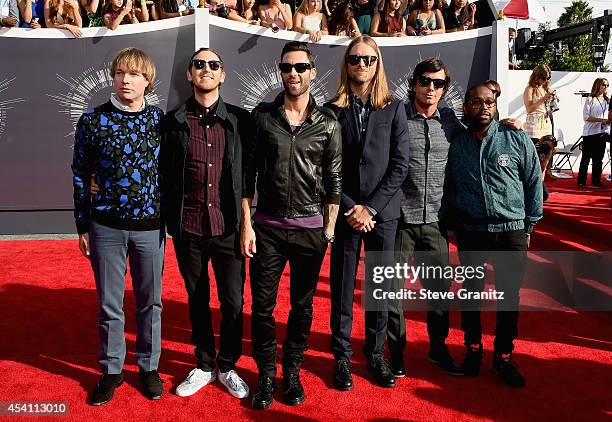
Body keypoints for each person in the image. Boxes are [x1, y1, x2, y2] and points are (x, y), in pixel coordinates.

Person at [242, 41, 342, 409]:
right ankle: (267, 375)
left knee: (302, 307)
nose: (294, 74)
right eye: (287, 68)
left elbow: (334, 181)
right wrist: (246, 224)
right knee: (263, 307)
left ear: (312, 72)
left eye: (301, 67)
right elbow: (247, 173)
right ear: (280, 72)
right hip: (267, 228)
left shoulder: (328, 123)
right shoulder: (262, 117)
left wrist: (328, 231)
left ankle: (293, 372)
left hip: (310, 230)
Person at [72, 48, 165, 405]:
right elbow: (80, 173)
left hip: (149, 227)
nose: (126, 80)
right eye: (121, 73)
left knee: (150, 302)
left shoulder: (159, 120)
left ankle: (149, 367)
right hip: (105, 227)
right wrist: (82, 224)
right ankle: (111, 371)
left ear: (147, 81)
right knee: (110, 304)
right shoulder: (93, 121)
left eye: (135, 74)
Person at [159, 48, 252, 400]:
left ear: (223, 74)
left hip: (228, 227)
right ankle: (202, 364)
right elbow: (162, 173)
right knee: (196, 299)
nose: (206, 69)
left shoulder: (241, 121)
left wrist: (247, 223)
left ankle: (227, 365)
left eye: (214, 64)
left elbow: (248, 176)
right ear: (189, 74)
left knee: (233, 301)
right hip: (190, 227)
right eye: (199, 65)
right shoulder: (172, 122)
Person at [326, 35, 410, 391]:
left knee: (380, 288)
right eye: (356, 59)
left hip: (383, 214)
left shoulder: (394, 107)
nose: (362, 65)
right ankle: (341, 358)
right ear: (347, 64)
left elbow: (400, 164)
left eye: (369, 59)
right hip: (346, 213)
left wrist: (371, 207)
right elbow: (325, 167)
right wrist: (351, 207)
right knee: (343, 289)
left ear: (378, 65)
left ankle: (375, 354)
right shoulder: (331, 109)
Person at [447, 83, 543, 388]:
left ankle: (503, 356)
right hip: (472, 231)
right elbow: (449, 186)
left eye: (489, 102)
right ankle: (473, 349)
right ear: (466, 107)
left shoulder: (515, 139)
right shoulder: (458, 143)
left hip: (511, 231)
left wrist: (529, 226)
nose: (484, 107)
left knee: (508, 298)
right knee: (472, 295)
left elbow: (533, 184)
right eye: (476, 102)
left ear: (496, 104)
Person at [387, 58, 465, 378]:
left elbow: (478, 135)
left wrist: (508, 126)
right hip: (399, 220)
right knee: (391, 292)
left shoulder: (450, 121)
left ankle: (437, 348)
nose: (431, 87)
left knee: (438, 291)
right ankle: (395, 352)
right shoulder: (396, 117)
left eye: (438, 83)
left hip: (435, 220)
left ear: (445, 89)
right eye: (425, 81)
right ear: (414, 83)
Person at [577, 78, 610, 188]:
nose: (605, 87)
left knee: (598, 159)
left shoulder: (607, 100)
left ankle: (596, 180)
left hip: (602, 132)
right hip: (590, 133)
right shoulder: (590, 99)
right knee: (586, 158)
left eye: (607, 85)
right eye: (603, 85)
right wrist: (601, 120)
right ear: (598, 85)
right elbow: (586, 117)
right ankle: (581, 181)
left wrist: (606, 122)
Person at [523, 64, 554, 143]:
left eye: (548, 78)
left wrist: (553, 101)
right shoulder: (530, 89)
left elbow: (547, 109)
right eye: (543, 78)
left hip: (545, 126)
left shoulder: (545, 89)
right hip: (533, 128)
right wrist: (544, 99)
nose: (546, 81)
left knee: (545, 153)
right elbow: (529, 109)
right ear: (536, 77)